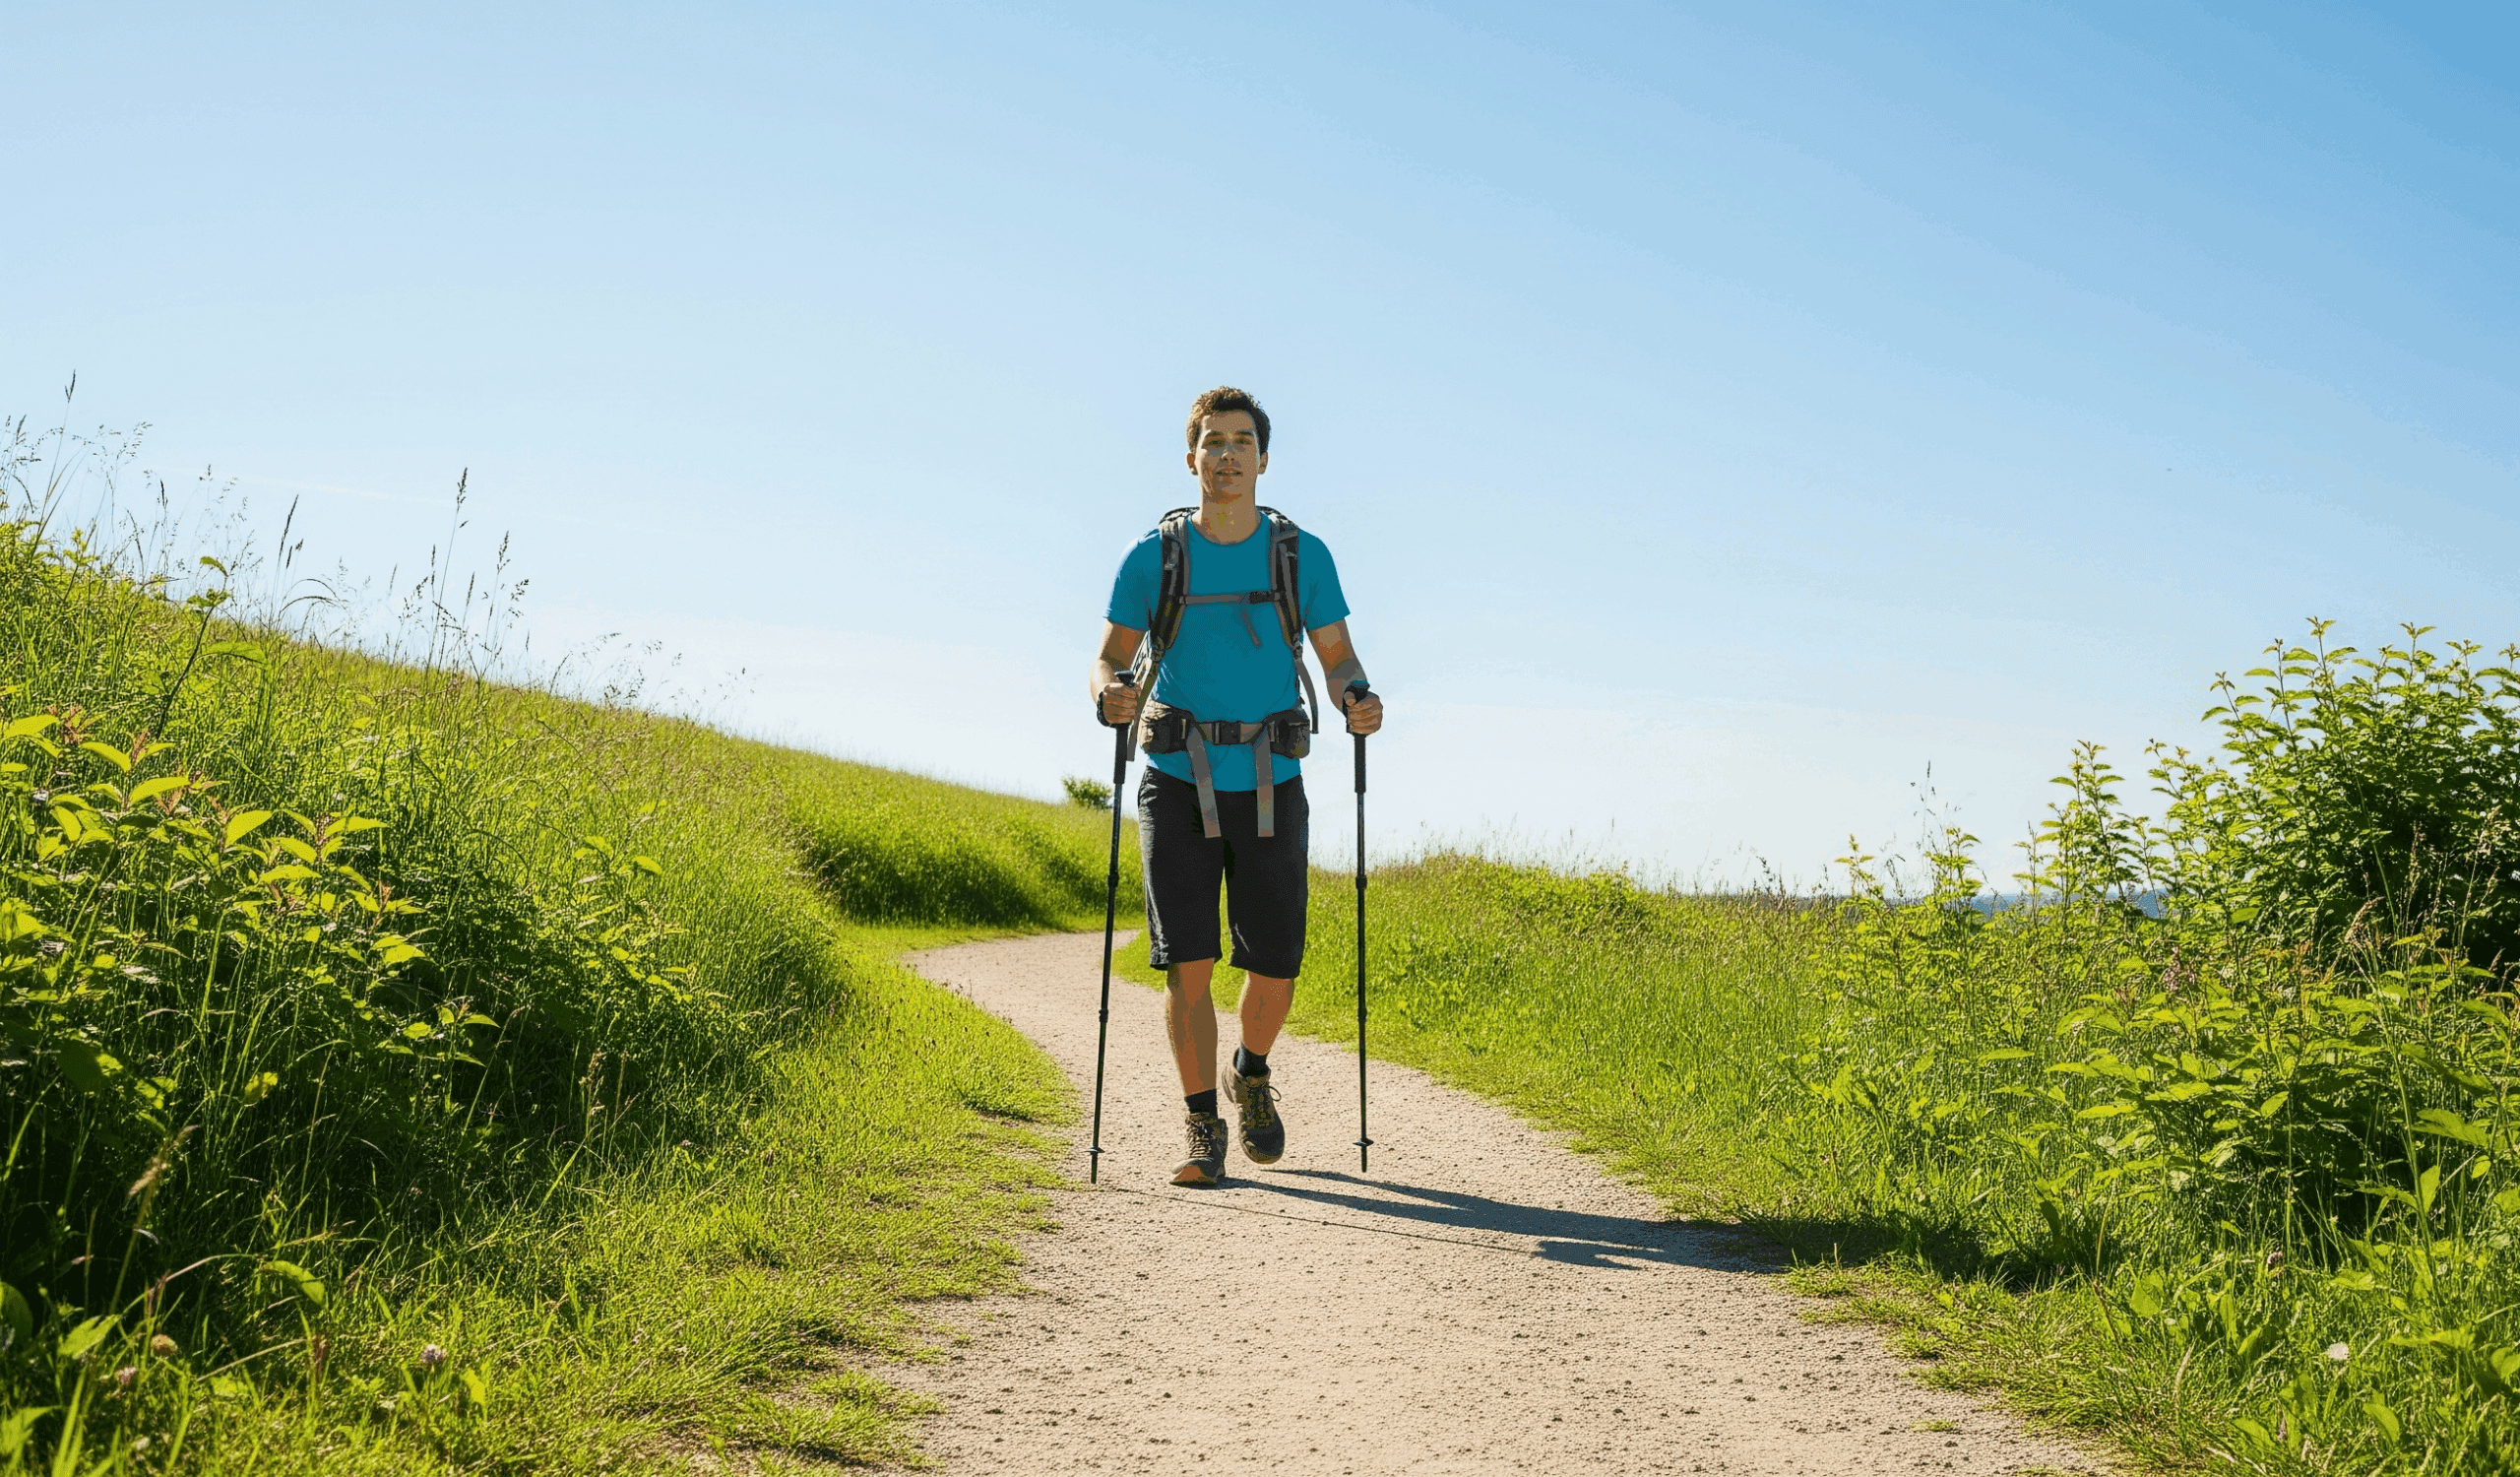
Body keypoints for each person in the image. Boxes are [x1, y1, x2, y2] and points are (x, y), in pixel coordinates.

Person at [1092, 386, 1384, 1186]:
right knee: (1188, 960)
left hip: (1271, 778)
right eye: (1212, 442)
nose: (1226, 455)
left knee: (1276, 965)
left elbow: (1338, 658)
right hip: (1177, 778)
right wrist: (1108, 692)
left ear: (1262, 459)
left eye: (1241, 442)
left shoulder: (1300, 555)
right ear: (1190, 458)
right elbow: (1110, 656)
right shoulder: (1153, 556)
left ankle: (1250, 1072)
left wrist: (1357, 699)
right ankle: (1201, 1126)